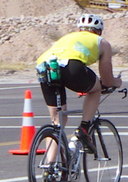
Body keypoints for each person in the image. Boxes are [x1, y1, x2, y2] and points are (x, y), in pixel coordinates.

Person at [37, 14, 122, 154]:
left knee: (58, 121)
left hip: (44, 66)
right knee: (96, 89)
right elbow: (107, 79)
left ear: (79, 29)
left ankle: (50, 168)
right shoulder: (102, 42)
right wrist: (117, 82)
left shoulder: (67, 37)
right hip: (72, 66)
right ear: (99, 31)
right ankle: (83, 128)